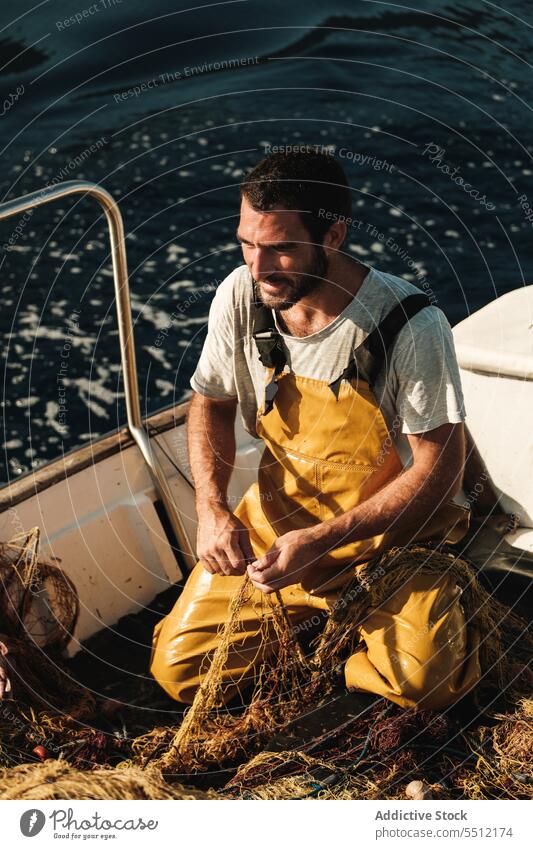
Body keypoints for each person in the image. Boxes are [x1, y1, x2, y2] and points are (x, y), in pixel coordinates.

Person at [150, 149, 481, 710]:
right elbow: (210, 401)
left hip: (386, 545)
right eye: (247, 244)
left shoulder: (411, 325)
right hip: (277, 532)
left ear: (332, 236)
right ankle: (326, 628)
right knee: (180, 672)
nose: (259, 268)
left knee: (425, 686)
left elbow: (438, 471)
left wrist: (325, 541)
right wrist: (211, 507)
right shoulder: (241, 292)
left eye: (280, 248)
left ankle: (359, 640)